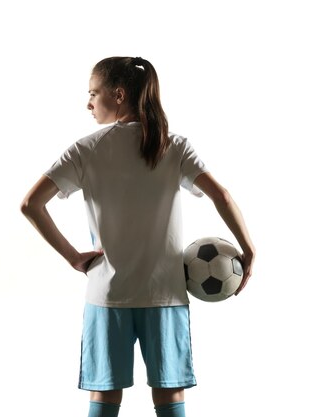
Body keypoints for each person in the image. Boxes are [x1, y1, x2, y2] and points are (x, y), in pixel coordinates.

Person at [21, 56, 255, 417]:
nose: (88, 103)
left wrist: (73, 256)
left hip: (107, 295)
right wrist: (248, 249)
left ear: (118, 94)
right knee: (170, 398)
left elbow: (30, 204)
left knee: (104, 398)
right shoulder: (173, 146)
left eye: (93, 93)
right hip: (165, 295)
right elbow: (222, 196)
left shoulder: (86, 149)